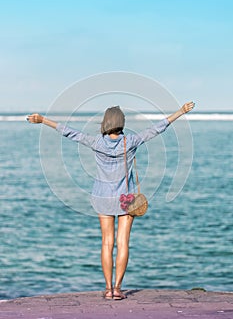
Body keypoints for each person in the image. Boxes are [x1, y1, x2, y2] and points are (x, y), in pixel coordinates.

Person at [27, 101, 195, 300]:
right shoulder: (131, 141)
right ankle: (117, 289)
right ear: (121, 122)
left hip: (103, 197)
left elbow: (69, 132)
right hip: (127, 199)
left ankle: (107, 289)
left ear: (105, 123)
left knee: (107, 243)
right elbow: (158, 128)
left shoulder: (96, 142)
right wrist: (180, 112)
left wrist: (42, 120)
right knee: (123, 243)